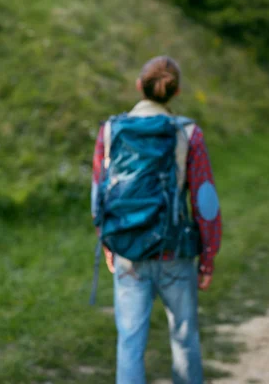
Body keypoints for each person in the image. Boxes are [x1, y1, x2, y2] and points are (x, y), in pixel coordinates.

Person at [91, 56, 222, 384]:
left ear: (139, 86)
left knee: (130, 343)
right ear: (176, 92)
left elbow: (99, 195)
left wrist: (108, 242)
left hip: (128, 252)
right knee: (184, 338)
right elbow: (205, 204)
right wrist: (207, 258)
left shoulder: (110, 130)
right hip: (175, 253)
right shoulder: (189, 133)